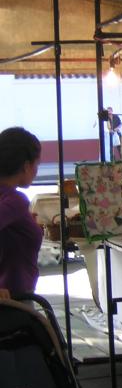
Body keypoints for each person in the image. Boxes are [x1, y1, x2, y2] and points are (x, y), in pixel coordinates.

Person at [0, 127, 43, 297]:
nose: (36, 170)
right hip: (13, 301)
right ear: (26, 166)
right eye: (37, 164)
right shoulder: (15, 200)